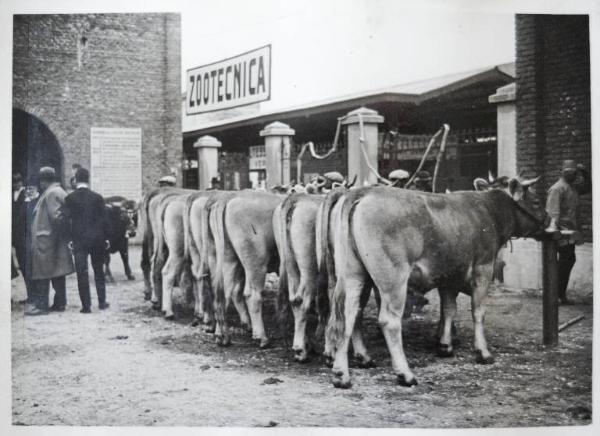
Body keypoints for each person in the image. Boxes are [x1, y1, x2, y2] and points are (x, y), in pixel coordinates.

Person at [27, 167, 74, 315]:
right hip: (52, 239)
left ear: (43, 181)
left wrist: (55, 237)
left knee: (43, 274)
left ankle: (42, 306)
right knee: (57, 272)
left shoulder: (52, 193)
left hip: (47, 240)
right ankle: (60, 303)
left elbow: (56, 217)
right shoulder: (57, 191)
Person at [64, 168, 111, 313]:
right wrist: (107, 238)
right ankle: (102, 302)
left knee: (82, 273)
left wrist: (69, 239)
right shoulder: (97, 197)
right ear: (88, 179)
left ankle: (86, 306)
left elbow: (67, 221)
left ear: (76, 180)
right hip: (97, 239)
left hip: (79, 240)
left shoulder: (69, 198)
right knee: (98, 271)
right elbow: (104, 220)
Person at [545, 159, 591, 305]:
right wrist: (555, 234)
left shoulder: (573, 188)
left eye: (574, 172)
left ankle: (559, 295)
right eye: (569, 172)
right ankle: (556, 295)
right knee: (565, 261)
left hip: (570, 232)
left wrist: (585, 173)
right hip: (561, 233)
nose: (572, 174)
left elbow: (588, 187)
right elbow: (552, 214)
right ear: (562, 172)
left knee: (567, 261)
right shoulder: (557, 189)